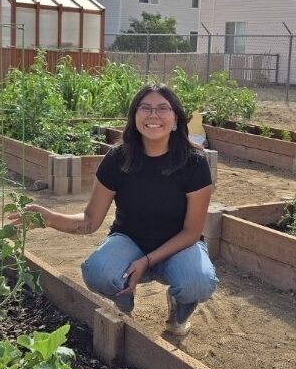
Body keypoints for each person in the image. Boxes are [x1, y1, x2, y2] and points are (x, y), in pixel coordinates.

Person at [13, 83, 218, 336]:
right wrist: (50, 218)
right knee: (98, 272)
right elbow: (90, 220)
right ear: (134, 116)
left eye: (163, 108)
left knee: (197, 283)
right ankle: (124, 301)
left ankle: (179, 311)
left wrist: (146, 261)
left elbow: (191, 232)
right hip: (130, 242)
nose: (153, 115)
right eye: (145, 108)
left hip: (179, 247)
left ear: (176, 118)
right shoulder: (118, 159)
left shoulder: (193, 163)